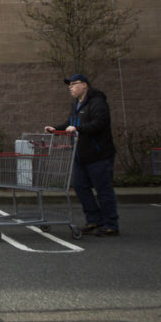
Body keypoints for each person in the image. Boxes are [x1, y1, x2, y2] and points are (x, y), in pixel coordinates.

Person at [45, 73, 119, 236]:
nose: (70, 88)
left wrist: (78, 129)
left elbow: (100, 123)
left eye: (74, 84)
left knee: (103, 190)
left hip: (98, 155)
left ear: (84, 85)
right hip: (80, 155)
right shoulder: (76, 104)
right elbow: (70, 123)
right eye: (69, 85)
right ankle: (94, 220)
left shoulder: (97, 102)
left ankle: (110, 224)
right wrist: (56, 129)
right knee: (80, 187)